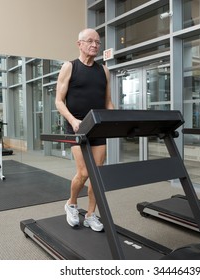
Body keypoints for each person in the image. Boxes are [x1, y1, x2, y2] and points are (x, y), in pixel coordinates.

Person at [55, 28, 114, 232]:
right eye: (90, 41)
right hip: (77, 127)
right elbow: (59, 101)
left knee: (97, 174)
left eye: (98, 42)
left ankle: (90, 214)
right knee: (84, 172)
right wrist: (72, 120)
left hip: (98, 127)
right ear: (79, 44)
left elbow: (108, 102)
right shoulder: (69, 67)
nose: (95, 45)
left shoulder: (104, 71)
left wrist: (114, 120)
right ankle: (71, 203)